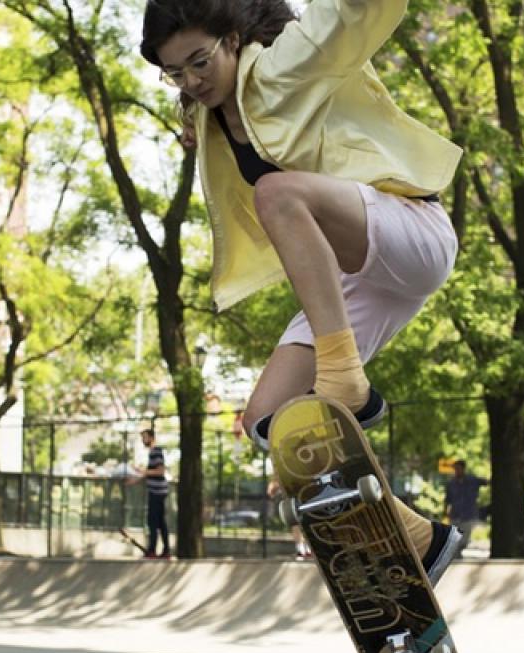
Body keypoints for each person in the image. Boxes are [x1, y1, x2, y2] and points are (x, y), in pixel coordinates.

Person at [140, 0, 464, 584]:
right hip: (359, 276)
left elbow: (350, 16)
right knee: (271, 421)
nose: (192, 81)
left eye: (199, 61)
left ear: (233, 38)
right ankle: (415, 534)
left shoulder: (285, 64)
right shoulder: (211, 114)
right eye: (175, 72)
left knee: (276, 195)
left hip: (410, 232)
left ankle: (344, 376)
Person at [127, 429, 171, 559]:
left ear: (151, 438)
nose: (142, 441)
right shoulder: (152, 452)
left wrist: (141, 470)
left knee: (153, 521)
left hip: (157, 491)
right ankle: (165, 550)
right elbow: (149, 473)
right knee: (160, 522)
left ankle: (153, 549)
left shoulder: (156, 452)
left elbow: (160, 471)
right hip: (158, 490)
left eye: (144, 438)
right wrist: (135, 480)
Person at [443, 460, 487, 553]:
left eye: (458, 469)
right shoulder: (451, 483)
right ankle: (456, 554)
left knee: (464, 540)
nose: (456, 471)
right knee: (454, 538)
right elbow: (447, 499)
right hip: (455, 514)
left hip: (468, 514)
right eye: (455, 469)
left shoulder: (472, 480)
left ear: (463, 469)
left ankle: (459, 551)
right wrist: (445, 512)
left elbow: (486, 482)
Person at [268, 476, 311, 560]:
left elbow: (271, 489)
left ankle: (305, 549)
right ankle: (302, 550)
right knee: (296, 525)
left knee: (301, 525)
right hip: (292, 501)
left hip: (299, 499)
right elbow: (271, 489)